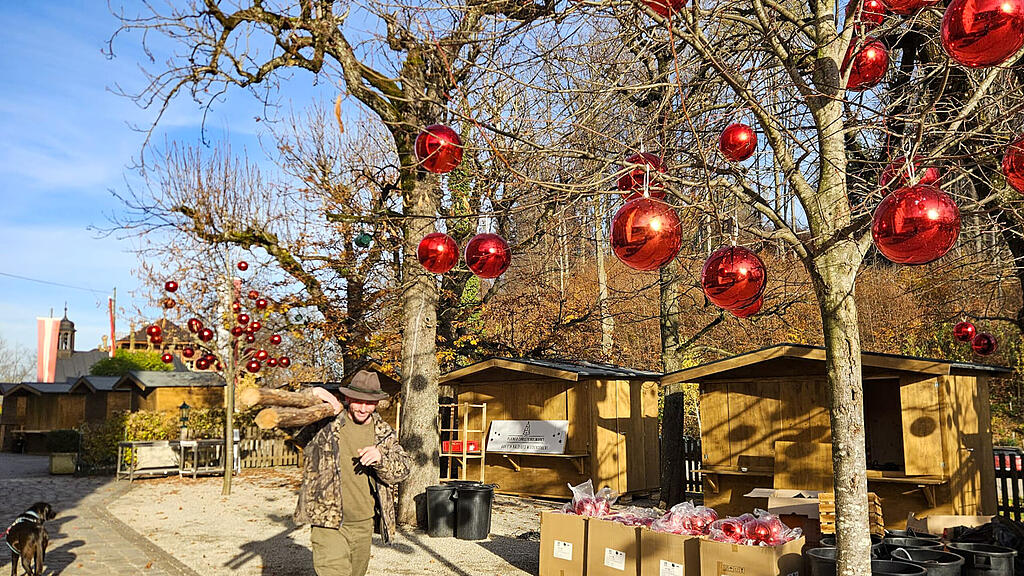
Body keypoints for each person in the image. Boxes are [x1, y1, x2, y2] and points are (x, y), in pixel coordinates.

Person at [292, 370, 411, 576]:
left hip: (363, 523)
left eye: (369, 402)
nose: (363, 408)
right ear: (347, 397)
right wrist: (312, 392)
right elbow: (286, 420)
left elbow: (404, 470)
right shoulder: (325, 423)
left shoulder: (383, 433)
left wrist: (381, 459)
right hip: (327, 520)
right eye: (358, 401)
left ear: (377, 403)